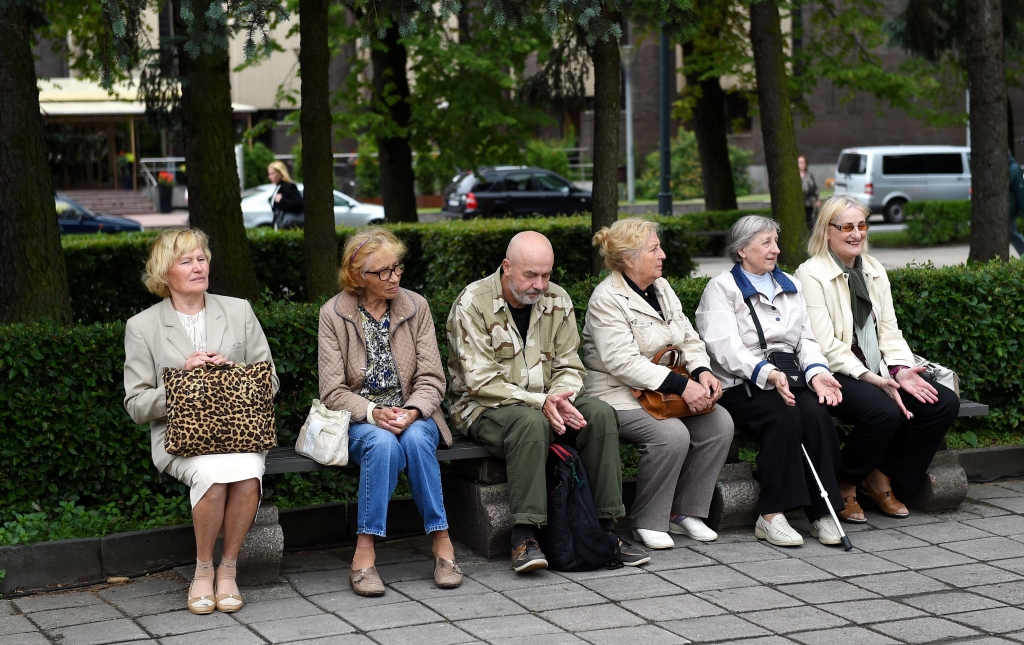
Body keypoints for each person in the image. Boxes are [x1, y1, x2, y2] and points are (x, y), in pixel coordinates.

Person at [446, 231, 649, 572]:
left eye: (546, 274)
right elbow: (480, 382)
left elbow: (570, 364)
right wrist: (541, 402)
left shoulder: (558, 300)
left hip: (549, 401)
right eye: (530, 275)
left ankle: (605, 530)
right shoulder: (473, 302)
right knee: (530, 422)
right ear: (507, 267)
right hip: (483, 408)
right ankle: (525, 538)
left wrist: (561, 398)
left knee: (599, 414)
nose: (540, 285)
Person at [124, 229, 279, 614]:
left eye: (201, 258)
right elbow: (137, 405)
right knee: (211, 476)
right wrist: (182, 381)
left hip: (238, 432)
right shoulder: (142, 327)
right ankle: (202, 571)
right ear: (164, 274)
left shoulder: (238, 310)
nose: (198, 267)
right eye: (186, 261)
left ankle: (229, 570)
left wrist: (232, 374)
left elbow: (270, 380)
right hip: (180, 439)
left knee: (246, 472)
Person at [795, 195, 959, 522]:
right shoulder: (810, 274)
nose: (856, 234)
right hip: (835, 372)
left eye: (862, 225)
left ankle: (880, 475)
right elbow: (825, 344)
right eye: (846, 227)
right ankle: (846, 480)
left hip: (878, 367)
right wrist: (872, 378)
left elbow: (888, 329)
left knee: (943, 403)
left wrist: (899, 370)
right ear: (827, 231)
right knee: (883, 412)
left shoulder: (873, 269)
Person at [319, 227, 461, 596]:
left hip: (415, 413)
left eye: (396, 267)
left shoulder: (417, 307)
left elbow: (432, 378)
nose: (393, 277)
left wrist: (413, 411)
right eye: (382, 272)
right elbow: (333, 391)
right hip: (361, 420)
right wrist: (372, 412)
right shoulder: (333, 314)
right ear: (357, 277)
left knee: (414, 439)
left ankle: (442, 542)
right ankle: (364, 555)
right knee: (381, 444)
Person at [582, 218, 733, 549]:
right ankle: (647, 520)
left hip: (663, 390)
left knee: (719, 423)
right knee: (670, 435)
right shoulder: (607, 298)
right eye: (654, 249)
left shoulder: (661, 288)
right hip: (617, 395)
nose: (662, 254)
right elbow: (622, 363)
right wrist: (683, 388)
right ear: (629, 259)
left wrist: (702, 372)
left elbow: (688, 337)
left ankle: (684, 512)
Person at [695, 215, 846, 547]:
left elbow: (805, 340)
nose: (775, 249)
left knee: (817, 415)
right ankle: (771, 514)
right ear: (741, 249)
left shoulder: (790, 283)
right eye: (766, 243)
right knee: (784, 416)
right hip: (740, 383)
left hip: (788, 376)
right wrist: (767, 373)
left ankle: (823, 512)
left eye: (775, 242)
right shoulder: (721, 288)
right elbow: (723, 347)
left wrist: (818, 374)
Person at [267, 160, 304, 229]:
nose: (269, 177)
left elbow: (299, 204)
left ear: (281, 173)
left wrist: (282, 201)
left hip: (288, 225)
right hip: (279, 224)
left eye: (272, 174)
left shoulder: (289, 186)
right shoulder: (278, 187)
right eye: (269, 174)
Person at [1008, 153, 1024, 257]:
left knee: (1011, 231)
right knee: (1011, 231)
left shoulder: (1013, 169)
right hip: (1009, 207)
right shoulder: (1011, 168)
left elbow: (1020, 192)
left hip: (1010, 208)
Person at [799, 155, 820, 229]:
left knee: (810, 221)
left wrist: (817, 199)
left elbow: (814, 187)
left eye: (804, 162)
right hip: (799, 203)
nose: (802, 164)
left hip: (809, 202)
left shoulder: (809, 175)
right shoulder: (795, 176)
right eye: (800, 162)